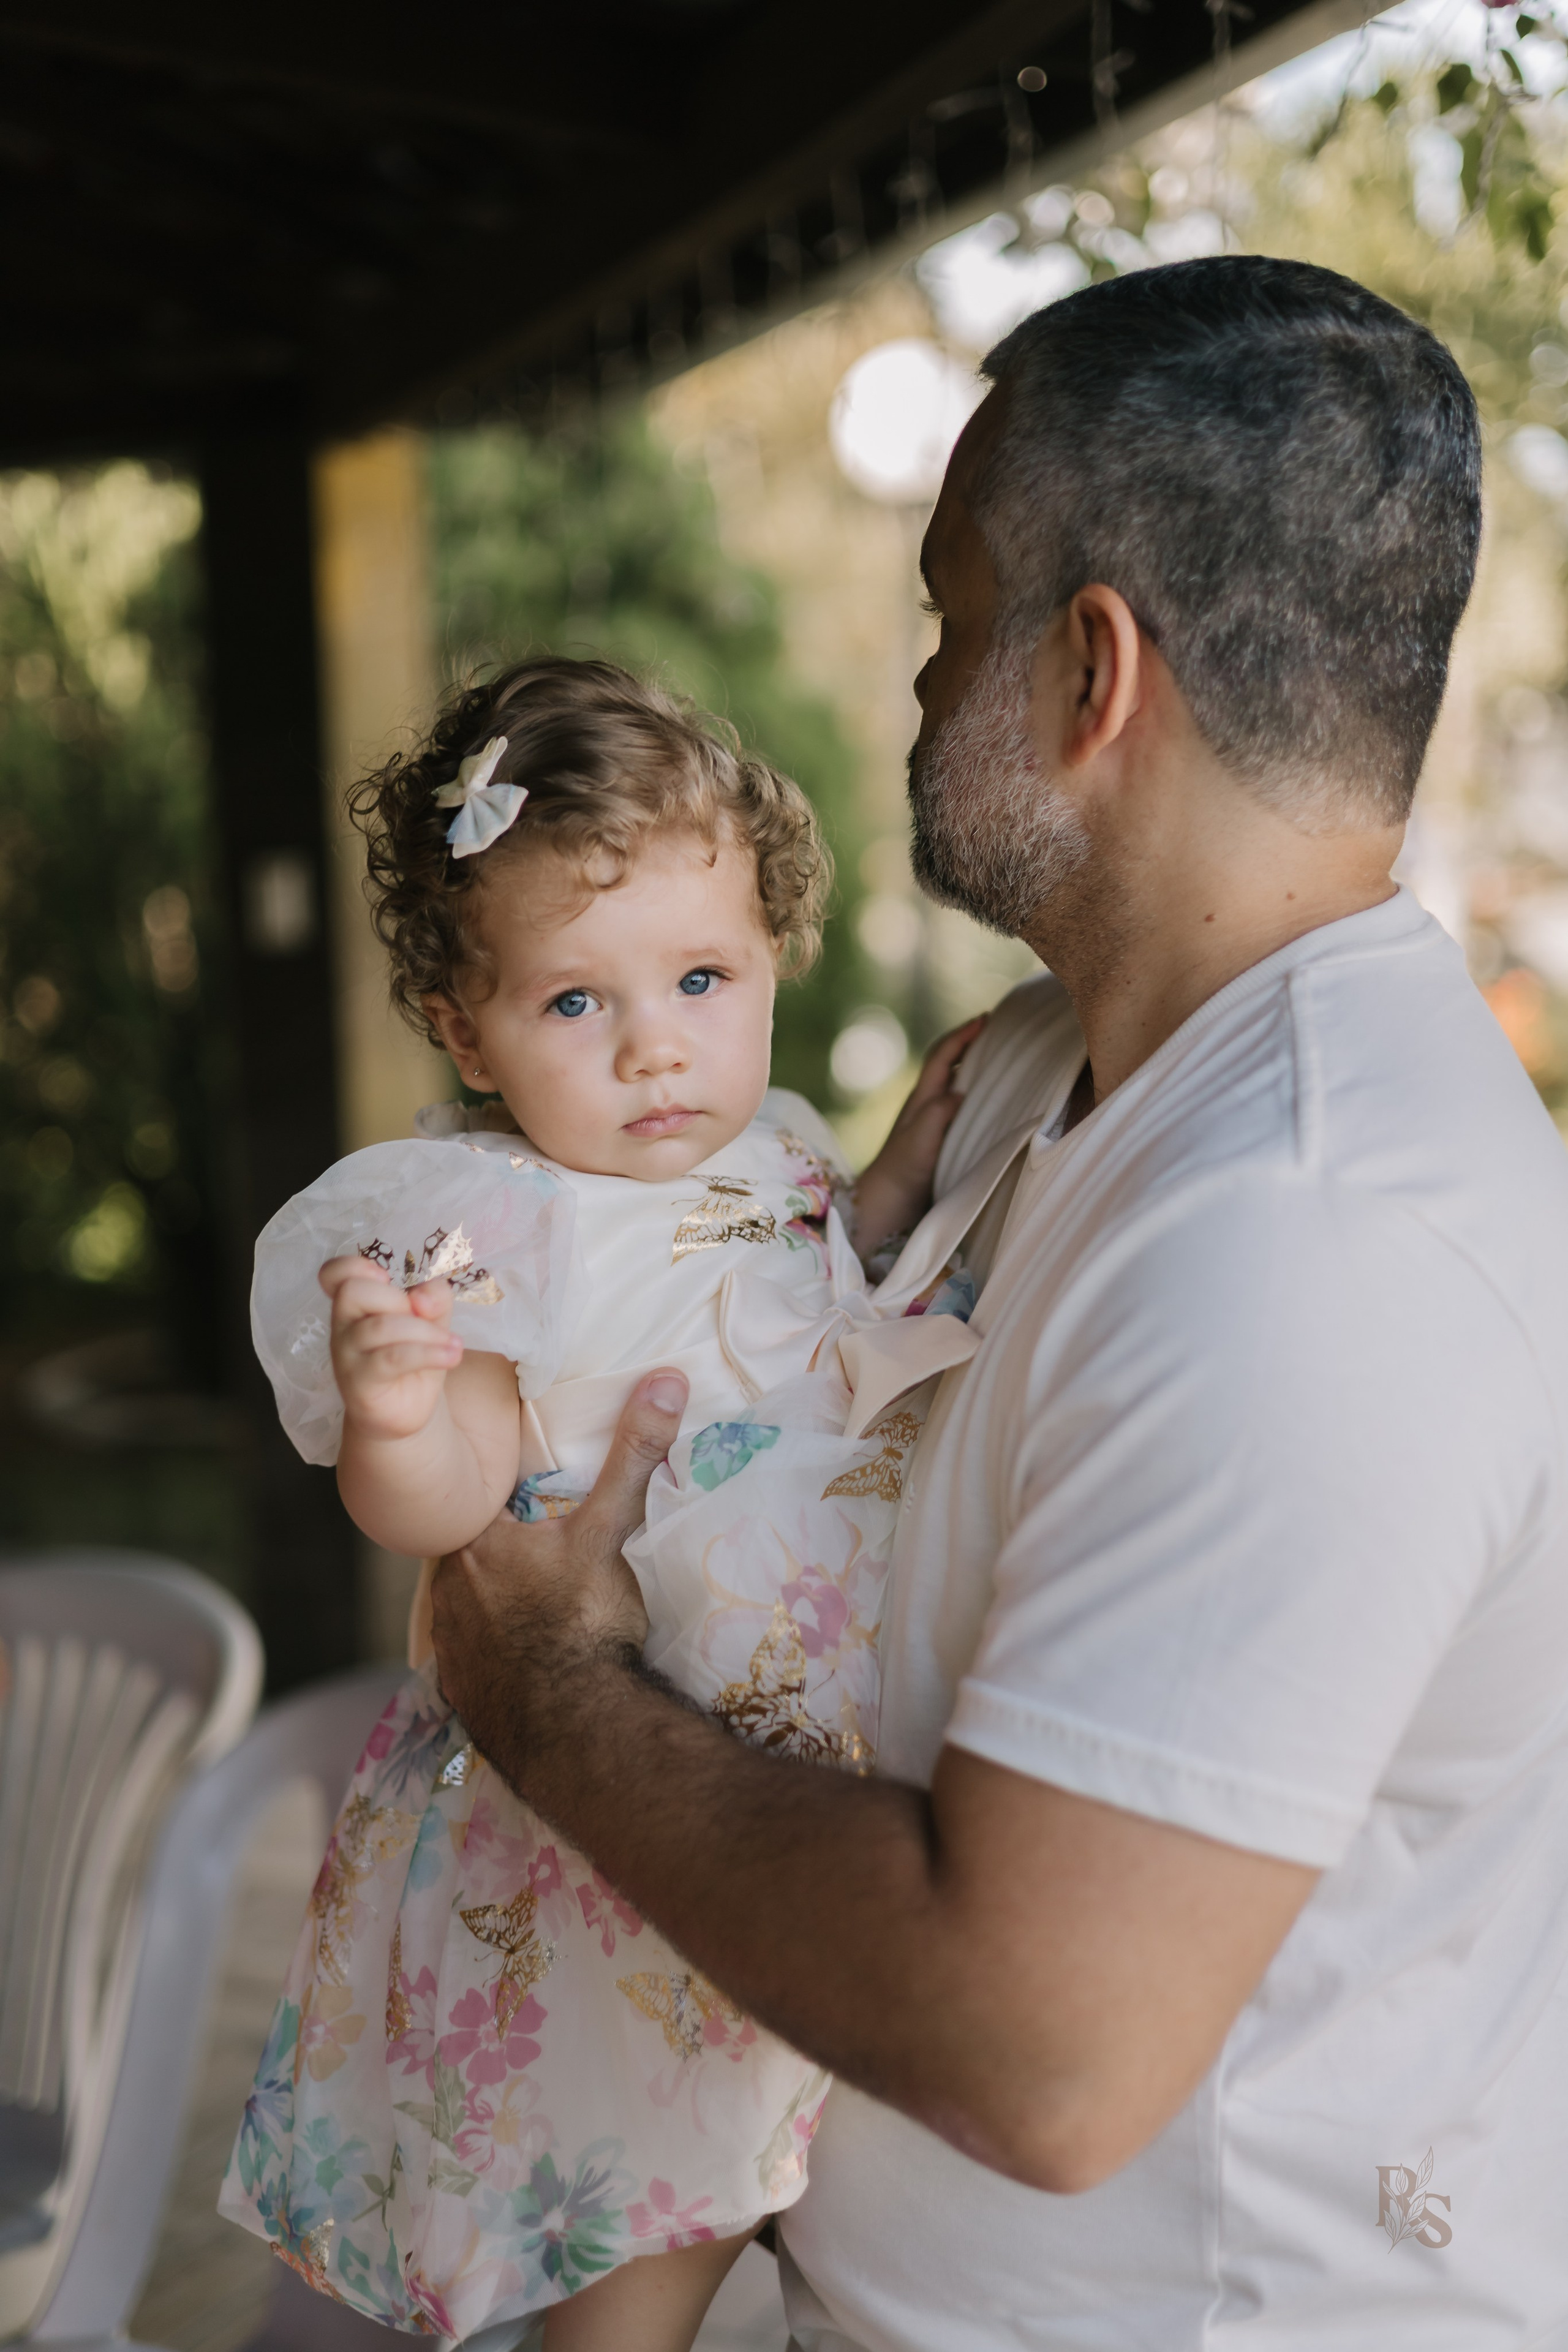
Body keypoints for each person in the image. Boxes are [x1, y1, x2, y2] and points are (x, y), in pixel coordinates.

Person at [427, 256, 1568, 2349]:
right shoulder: (1058, 1071)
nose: (922, 683)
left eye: (951, 624)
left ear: (1089, 674)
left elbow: (1039, 2048)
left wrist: (542, 1690)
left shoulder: (1316, 1243)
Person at [218, 657, 997, 2350]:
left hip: (801, 1815)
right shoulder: (498, 1231)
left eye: (702, 977)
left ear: (774, 953)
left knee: (802, 2231)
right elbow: (448, 1511)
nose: (656, 1046)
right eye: (576, 1004)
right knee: (635, 2266)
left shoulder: (776, 1145)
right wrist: (400, 1406)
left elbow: (801, 1280)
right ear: (464, 1028)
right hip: (630, 1847)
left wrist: (895, 1182)